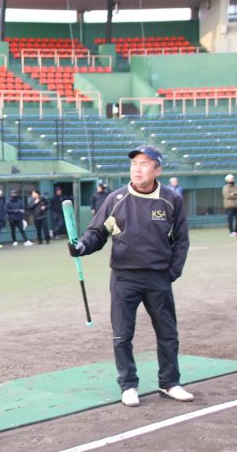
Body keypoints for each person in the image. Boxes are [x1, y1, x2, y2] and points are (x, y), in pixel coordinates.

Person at [68, 145, 192, 407]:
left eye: (145, 163)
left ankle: (169, 383)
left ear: (157, 169)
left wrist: (172, 272)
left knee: (168, 333)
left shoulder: (171, 199)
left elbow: (181, 240)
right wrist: (81, 247)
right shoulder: (116, 199)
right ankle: (128, 385)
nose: (137, 168)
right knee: (122, 335)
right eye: (134, 163)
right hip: (125, 277)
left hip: (159, 277)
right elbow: (97, 234)